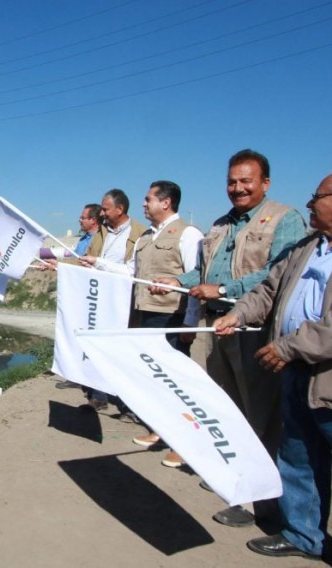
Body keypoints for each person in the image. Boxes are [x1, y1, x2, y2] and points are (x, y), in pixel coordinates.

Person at [152, 149, 306, 528]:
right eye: (231, 182)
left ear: (265, 183)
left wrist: (223, 288)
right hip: (214, 328)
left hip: (253, 330)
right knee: (223, 409)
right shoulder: (220, 224)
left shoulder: (285, 220)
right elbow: (203, 272)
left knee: (261, 416)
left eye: (246, 181)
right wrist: (179, 282)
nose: (237, 188)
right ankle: (235, 482)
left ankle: (263, 501)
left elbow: (279, 276)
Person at [212, 173, 332, 560]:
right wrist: (238, 313)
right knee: (298, 455)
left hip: (322, 370)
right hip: (296, 371)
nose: (310, 204)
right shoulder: (307, 247)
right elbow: (268, 290)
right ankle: (303, 535)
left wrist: (289, 346)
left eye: (319, 197)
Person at [81, 181, 203, 466]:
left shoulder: (188, 234)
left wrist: (191, 321)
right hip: (145, 315)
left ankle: (183, 444)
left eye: (149, 200)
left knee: (174, 383)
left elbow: (198, 275)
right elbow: (130, 272)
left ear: (166, 202)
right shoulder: (146, 237)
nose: (144, 204)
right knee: (154, 379)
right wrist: (97, 263)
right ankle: (160, 431)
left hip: (171, 316)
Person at [78, 188, 147, 413]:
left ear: (120, 209)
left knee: (124, 351)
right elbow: (85, 261)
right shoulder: (102, 233)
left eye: (106, 209)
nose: (102, 214)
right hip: (100, 297)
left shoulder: (141, 234)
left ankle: (127, 401)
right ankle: (99, 395)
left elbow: (132, 271)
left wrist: (98, 263)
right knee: (99, 346)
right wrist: (57, 265)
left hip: (126, 300)